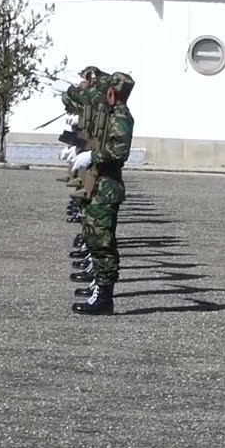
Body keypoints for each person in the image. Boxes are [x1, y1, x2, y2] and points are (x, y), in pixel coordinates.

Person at [71, 72, 135, 315]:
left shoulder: (121, 117)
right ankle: (99, 288)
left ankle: (104, 299)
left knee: (102, 244)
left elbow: (119, 151)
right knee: (94, 240)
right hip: (97, 184)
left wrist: (92, 157)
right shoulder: (110, 115)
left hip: (106, 188)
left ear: (111, 92)